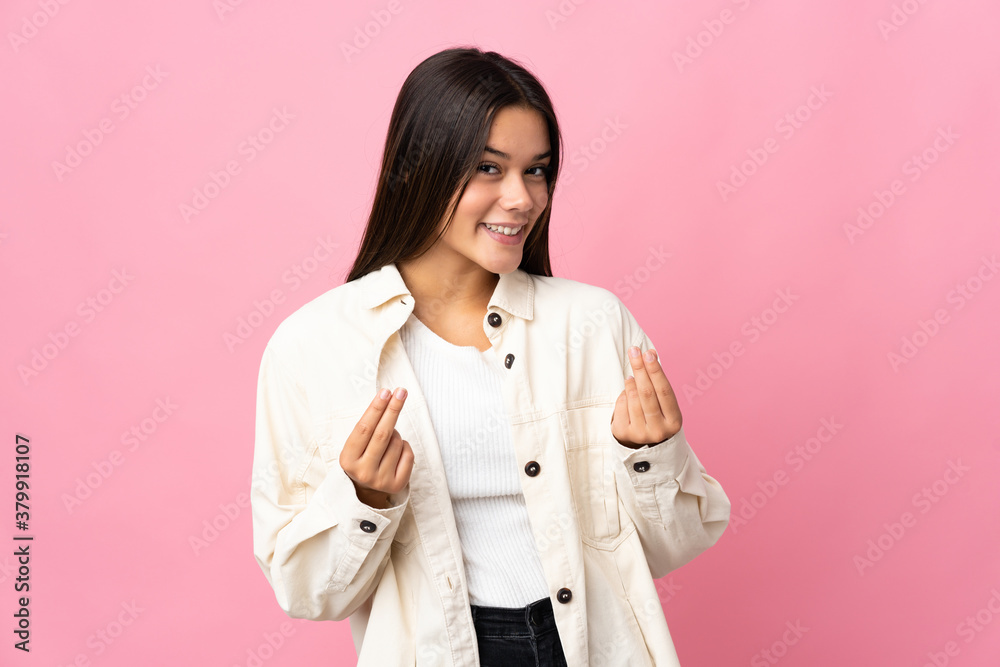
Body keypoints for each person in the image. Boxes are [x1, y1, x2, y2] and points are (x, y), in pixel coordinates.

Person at [251, 46, 731, 667]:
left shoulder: (592, 324)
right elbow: (307, 593)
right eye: (488, 168)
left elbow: (675, 548)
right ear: (416, 169)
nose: (522, 198)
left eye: (537, 170)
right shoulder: (313, 346)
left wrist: (651, 458)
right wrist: (363, 502)